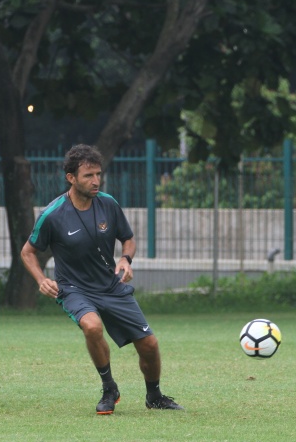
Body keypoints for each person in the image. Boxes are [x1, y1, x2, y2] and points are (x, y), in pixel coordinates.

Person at [20, 144, 183, 414]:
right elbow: (27, 252)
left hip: (111, 285)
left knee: (150, 345)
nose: (96, 180)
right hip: (74, 289)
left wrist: (125, 259)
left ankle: (154, 396)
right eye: (88, 175)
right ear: (71, 178)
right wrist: (40, 279)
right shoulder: (52, 214)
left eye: (98, 174)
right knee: (92, 326)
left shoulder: (108, 203)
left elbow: (128, 239)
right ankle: (109, 388)